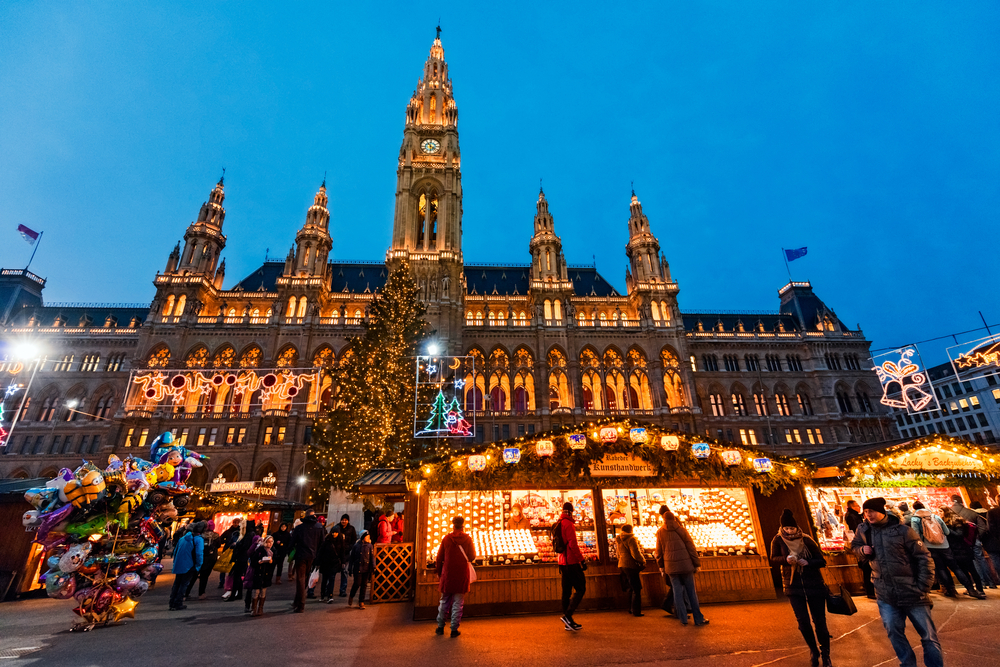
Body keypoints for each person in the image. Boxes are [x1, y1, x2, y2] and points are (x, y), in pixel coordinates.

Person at [852, 497, 940, 667]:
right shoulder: (863, 530)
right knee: (894, 632)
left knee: (928, 636)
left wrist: (923, 586)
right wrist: (862, 550)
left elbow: (923, 557)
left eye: (872, 511)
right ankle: (907, 664)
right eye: (866, 512)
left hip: (913, 591)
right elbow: (854, 545)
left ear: (881, 511)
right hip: (885, 593)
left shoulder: (903, 530)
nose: (868, 515)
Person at [770, 509, 831, 667]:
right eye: (786, 529)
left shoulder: (807, 540)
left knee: (819, 621)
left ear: (797, 527)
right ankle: (813, 650)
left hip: (814, 585)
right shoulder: (778, 540)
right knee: (803, 621)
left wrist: (808, 562)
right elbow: (774, 558)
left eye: (792, 528)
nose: (789, 531)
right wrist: (786, 559)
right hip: (793, 586)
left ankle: (826, 654)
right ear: (782, 528)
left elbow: (821, 560)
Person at [910, 501, 980, 599]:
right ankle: (970, 589)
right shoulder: (935, 516)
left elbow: (916, 535)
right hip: (944, 546)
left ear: (914, 509)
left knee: (941, 568)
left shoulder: (915, 519)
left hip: (930, 547)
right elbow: (946, 532)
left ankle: (950, 590)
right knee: (955, 567)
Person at [656, 507, 708, 626]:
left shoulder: (660, 532)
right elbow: (691, 547)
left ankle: (683, 618)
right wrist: (696, 563)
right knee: (691, 592)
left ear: (663, 519)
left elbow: (658, 552)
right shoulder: (682, 530)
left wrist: (661, 566)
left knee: (677, 592)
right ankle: (698, 618)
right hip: (686, 565)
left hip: (671, 567)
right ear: (674, 518)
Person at [434, 515, 476, 637]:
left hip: (447, 573)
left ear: (453, 525)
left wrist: (439, 572)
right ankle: (454, 629)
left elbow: (439, 557)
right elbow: (472, 556)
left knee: (444, 601)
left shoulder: (446, 539)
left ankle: (440, 627)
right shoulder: (467, 539)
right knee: (458, 602)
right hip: (461, 573)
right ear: (463, 525)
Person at [940, 507, 986, 597]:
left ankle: (980, 589)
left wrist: (947, 531)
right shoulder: (946, 523)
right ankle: (971, 588)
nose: (939, 514)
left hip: (963, 549)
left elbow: (959, 535)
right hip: (955, 550)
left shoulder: (957, 522)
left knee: (972, 570)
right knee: (964, 570)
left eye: (941, 512)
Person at [555, 502, 586, 631]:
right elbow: (573, 544)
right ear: (571, 511)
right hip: (571, 562)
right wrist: (582, 560)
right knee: (581, 588)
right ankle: (568, 615)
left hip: (562, 562)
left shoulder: (559, 522)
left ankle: (568, 621)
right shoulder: (568, 524)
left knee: (566, 592)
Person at [290, 509, 325, 612]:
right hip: (313, 556)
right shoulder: (319, 527)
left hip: (301, 555)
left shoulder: (300, 528)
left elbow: (292, 542)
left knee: (301, 579)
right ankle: (298, 601)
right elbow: (322, 543)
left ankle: (300, 604)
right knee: (305, 578)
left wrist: (290, 553)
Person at [170, 521, 205, 611]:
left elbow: (175, 551)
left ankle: (172, 603)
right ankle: (178, 603)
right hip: (190, 565)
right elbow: (199, 554)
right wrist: (198, 565)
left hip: (179, 564)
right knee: (184, 584)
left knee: (177, 584)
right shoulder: (198, 539)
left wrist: (175, 562)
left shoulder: (183, 538)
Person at [843, 500, 874, 599]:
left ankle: (871, 591)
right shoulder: (854, 519)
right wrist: (861, 549)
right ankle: (870, 591)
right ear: (852, 507)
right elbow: (856, 542)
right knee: (867, 571)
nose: (859, 508)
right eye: (857, 506)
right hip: (865, 551)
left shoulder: (855, 516)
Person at [616, 524, 645, 617]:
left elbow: (617, 554)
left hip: (622, 565)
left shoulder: (619, 540)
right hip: (631, 566)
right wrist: (643, 561)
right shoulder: (631, 539)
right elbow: (635, 553)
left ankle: (630, 608)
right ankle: (636, 611)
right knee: (637, 588)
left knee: (630, 588)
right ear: (631, 530)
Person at [186, 519, 219, 600]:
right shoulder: (215, 536)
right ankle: (201, 593)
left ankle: (186, 593)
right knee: (204, 577)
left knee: (193, 576)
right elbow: (218, 545)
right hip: (210, 558)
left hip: (199, 558)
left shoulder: (199, 536)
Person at [224, 519, 254, 602]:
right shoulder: (246, 534)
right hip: (241, 557)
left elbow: (245, 546)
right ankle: (239, 594)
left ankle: (233, 595)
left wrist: (237, 545)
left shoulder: (248, 535)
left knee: (237, 576)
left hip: (242, 558)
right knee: (238, 576)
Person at [248, 535, 276, 616]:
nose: (269, 544)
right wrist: (258, 562)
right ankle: (254, 609)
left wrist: (272, 562)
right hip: (258, 573)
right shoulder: (259, 550)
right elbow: (253, 561)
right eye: (268, 542)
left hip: (267, 574)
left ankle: (260, 608)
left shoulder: (273, 550)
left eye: (271, 542)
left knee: (263, 592)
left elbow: (276, 561)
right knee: (256, 591)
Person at [348, 530, 375, 609]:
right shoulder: (356, 545)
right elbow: (352, 557)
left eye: (368, 537)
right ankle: (351, 595)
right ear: (363, 537)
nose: (368, 538)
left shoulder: (370, 546)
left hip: (366, 568)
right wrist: (350, 568)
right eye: (366, 537)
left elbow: (372, 557)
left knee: (364, 585)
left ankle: (361, 601)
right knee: (357, 583)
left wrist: (373, 566)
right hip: (358, 567)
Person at [318, 526, 344, 602]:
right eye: (333, 532)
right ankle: (323, 595)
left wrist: (343, 561)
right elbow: (321, 551)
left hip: (334, 563)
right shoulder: (327, 540)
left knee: (332, 579)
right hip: (325, 562)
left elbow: (342, 552)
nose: (334, 534)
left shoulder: (340, 541)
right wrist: (318, 562)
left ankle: (330, 595)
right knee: (324, 579)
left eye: (336, 532)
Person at [337, 514, 358, 597]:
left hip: (346, 553)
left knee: (344, 571)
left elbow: (354, 540)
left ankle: (343, 590)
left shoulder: (351, 529)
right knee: (333, 572)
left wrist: (349, 547)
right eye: (343, 520)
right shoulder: (337, 528)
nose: (344, 521)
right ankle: (329, 589)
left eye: (346, 520)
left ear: (348, 521)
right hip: (337, 552)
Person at [218, 519, 241, 589]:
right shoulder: (228, 531)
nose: (236, 524)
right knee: (223, 567)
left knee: (233, 568)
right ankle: (221, 582)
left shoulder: (240, 532)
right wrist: (226, 541)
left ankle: (230, 582)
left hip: (235, 551)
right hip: (227, 550)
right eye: (234, 523)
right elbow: (221, 539)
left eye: (237, 523)